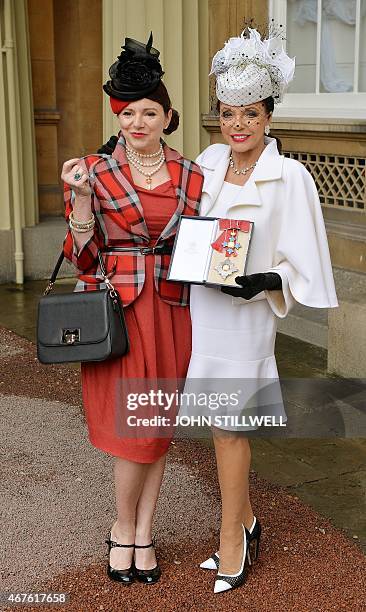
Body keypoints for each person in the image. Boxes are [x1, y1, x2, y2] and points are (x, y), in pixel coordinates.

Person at [183, 27, 338, 594]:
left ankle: (230, 541)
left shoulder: (290, 176)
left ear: (269, 115)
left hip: (247, 320)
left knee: (230, 427)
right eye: (227, 113)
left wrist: (267, 281)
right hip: (204, 309)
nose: (237, 124)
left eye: (249, 113)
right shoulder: (208, 161)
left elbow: (302, 260)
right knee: (219, 423)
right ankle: (246, 521)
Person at [61, 33, 203, 586]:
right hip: (119, 310)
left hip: (174, 307)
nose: (137, 122)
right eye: (128, 113)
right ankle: (123, 527)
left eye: (149, 112)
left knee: (158, 424)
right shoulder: (93, 171)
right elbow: (82, 255)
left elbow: (203, 241)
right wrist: (77, 201)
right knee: (132, 427)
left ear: (167, 117)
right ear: (118, 116)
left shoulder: (192, 175)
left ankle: (145, 529)